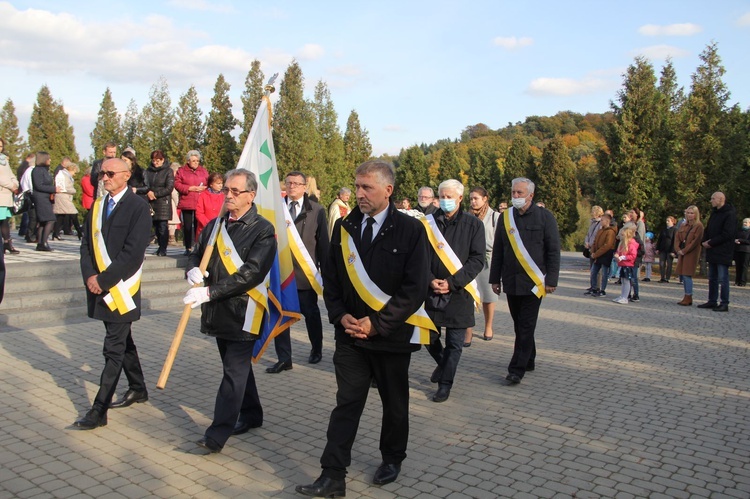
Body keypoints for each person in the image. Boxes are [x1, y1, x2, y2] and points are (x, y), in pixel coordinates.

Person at [296, 160, 429, 497]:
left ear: (388, 190)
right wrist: (340, 315)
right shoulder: (344, 227)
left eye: (367, 187)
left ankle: (392, 457)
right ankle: (332, 475)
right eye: (356, 187)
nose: (359, 194)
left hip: (392, 337)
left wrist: (379, 323)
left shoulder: (411, 231)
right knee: (347, 403)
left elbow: (414, 289)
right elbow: (332, 279)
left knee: (394, 404)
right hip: (351, 336)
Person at [182, 169, 276, 454]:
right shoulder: (216, 225)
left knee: (232, 374)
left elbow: (252, 273)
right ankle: (252, 413)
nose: (229, 196)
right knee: (236, 369)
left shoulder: (263, 229)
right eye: (226, 191)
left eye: (236, 192)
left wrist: (209, 291)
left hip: (244, 311)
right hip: (218, 311)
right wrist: (193, 268)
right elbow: (196, 251)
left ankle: (216, 434)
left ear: (251, 195)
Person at [73, 158, 152, 430]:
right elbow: (85, 246)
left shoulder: (139, 208)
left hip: (120, 290)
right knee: (122, 339)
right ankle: (138, 387)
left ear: (126, 176)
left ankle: (99, 409)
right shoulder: (96, 207)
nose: (103, 178)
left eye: (109, 173)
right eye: (101, 173)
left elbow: (133, 253)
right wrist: (89, 277)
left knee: (113, 348)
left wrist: (104, 280)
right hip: (99, 287)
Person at [489, 177, 560, 385]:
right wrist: (495, 279)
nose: (516, 197)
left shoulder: (545, 217)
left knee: (526, 325)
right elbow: (499, 250)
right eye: (513, 193)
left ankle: (516, 369)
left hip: (534, 282)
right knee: (519, 325)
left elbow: (553, 251)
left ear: (531, 195)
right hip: (511, 280)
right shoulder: (506, 218)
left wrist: (552, 279)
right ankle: (529, 358)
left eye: (520, 193)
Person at [425, 179, 484, 402]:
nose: (446, 201)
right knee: (428, 336)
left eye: (450, 197)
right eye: (442, 197)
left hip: (460, 291)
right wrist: (430, 280)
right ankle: (443, 364)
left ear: (460, 198)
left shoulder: (473, 225)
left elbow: (477, 260)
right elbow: (419, 257)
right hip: (431, 289)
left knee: (455, 343)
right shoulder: (427, 223)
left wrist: (452, 282)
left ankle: (445, 384)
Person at [267, 171, 329, 372]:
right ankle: (284, 358)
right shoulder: (276, 209)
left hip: (305, 275)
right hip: (282, 274)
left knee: (311, 314)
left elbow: (324, 246)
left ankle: (316, 349)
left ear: (304, 187)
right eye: (288, 183)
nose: (292, 186)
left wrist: (327, 274)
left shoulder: (317, 211)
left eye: (296, 183)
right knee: (280, 314)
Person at [465, 186, 498, 345]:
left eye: (476, 198)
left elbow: (499, 242)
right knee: (469, 295)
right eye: (471, 198)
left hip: (488, 261)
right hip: (469, 260)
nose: (473, 201)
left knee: (488, 296)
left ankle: (488, 326)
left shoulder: (495, 217)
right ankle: (468, 331)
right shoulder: (466, 216)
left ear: (485, 199)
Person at [698, 192, 737, 312]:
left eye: (713, 198)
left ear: (721, 199)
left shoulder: (730, 214)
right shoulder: (714, 213)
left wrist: (711, 242)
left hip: (723, 250)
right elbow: (709, 229)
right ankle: (712, 300)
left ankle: (724, 302)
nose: (711, 201)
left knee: (722, 278)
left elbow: (727, 234)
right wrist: (704, 241)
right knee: (712, 278)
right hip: (713, 251)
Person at [174, 150, 208, 255]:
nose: (196, 162)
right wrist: (189, 188)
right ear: (188, 161)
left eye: (197, 161)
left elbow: (209, 182)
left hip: (200, 201)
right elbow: (177, 184)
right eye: (193, 161)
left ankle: (198, 246)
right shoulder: (182, 171)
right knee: (187, 226)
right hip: (187, 202)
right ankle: (188, 247)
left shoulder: (203, 171)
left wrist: (204, 188)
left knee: (199, 226)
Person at [144, 150, 174, 257]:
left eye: (158, 160)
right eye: (153, 160)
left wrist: (155, 194)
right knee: (153, 226)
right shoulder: (148, 171)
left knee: (162, 227)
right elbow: (144, 184)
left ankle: (162, 248)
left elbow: (169, 187)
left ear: (162, 160)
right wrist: (148, 192)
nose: (155, 163)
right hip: (150, 202)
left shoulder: (168, 171)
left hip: (163, 202)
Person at [674, 205, 704, 306]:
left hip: (691, 253)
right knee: (682, 274)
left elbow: (695, 242)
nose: (690, 215)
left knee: (687, 274)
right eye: (688, 213)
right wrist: (678, 249)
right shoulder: (683, 225)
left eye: (692, 213)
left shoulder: (699, 226)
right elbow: (677, 237)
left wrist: (685, 250)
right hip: (682, 252)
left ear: (696, 214)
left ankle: (688, 296)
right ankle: (686, 295)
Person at [30, 152, 60, 251]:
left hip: (45, 197)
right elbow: (39, 185)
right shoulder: (37, 170)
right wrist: (53, 189)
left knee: (43, 221)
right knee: (50, 219)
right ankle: (43, 241)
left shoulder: (44, 170)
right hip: (40, 198)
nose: (50, 160)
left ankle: (41, 243)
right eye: (48, 158)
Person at [0, 138, 20, 254]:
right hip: (2, 193)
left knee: (4, 221)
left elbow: (11, 174)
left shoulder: (4, 160)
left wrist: (15, 184)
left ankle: (7, 243)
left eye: (1, 146)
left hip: (7, 195)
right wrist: (10, 185)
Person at [588, 213, 616, 297]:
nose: (601, 221)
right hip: (597, 254)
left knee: (604, 273)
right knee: (593, 271)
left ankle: (602, 290)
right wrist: (593, 252)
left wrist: (596, 254)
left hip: (605, 255)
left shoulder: (610, 232)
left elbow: (607, 245)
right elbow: (595, 241)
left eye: (602, 220)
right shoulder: (600, 230)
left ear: (607, 221)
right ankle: (593, 288)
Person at [52, 162, 82, 240]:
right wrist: (73, 190)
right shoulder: (62, 175)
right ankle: (80, 233)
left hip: (64, 197)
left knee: (61, 216)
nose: (74, 174)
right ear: (71, 169)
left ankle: (55, 233)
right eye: (74, 172)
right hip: (63, 197)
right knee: (73, 213)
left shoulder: (65, 175)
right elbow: (62, 188)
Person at [611, 227, 639, 304]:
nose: (621, 236)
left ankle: (625, 297)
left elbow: (633, 255)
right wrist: (617, 255)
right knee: (623, 280)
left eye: (623, 235)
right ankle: (622, 295)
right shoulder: (622, 244)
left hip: (628, 265)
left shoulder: (631, 244)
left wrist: (623, 257)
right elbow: (618, 251)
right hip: (622, 264)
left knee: (626, 281)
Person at [195, 172, 225, 239]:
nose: (221, 185)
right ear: (211, 184)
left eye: (221, 183)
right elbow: (199, 213)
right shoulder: (203, 195)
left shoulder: (224, 196)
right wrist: (209, 224)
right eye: (218, 183)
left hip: (219, 229)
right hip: (204, 229)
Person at [16, 152, 35, 240]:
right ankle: (27, 233)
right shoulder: (28, 168)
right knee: (29, 215)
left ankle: (25, 231)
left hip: (24, 191)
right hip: (28, 192)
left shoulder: (24, 167)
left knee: (27, 213)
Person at [584, 206, 603, 293]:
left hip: (595, 248)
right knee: (592, 267)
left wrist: (591, 244)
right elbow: (588, 234)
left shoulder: (600, 224)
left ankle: (596, 287)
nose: (592, 213)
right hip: (590, 247)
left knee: (596, 269)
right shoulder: (592, 223)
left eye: (593, 212)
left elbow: (597, 236)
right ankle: (592, 285)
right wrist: (586, 242)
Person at [656, 216, 677, 283]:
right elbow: (660, 239)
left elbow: (675, 240)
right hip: (662, 249)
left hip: (670, 249)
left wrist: (673, 251)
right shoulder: (664, 230)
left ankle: (667, 278)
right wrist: (657, 248)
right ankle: (662, 277)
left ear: (672, 222)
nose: (667, 222)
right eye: (666, 221)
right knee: (661, 263)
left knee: (669, 264)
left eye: (669, 221)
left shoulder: (675, 230)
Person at [734, 218, 750, 287]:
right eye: (744, 222)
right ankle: (737, 281)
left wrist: (740, 240)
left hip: (746, 251)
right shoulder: (739, 231)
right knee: (738, 266)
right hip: (738, 250)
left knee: (744, 266)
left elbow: (748, 241)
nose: (745, 224)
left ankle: (743, 281)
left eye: (746, 222)